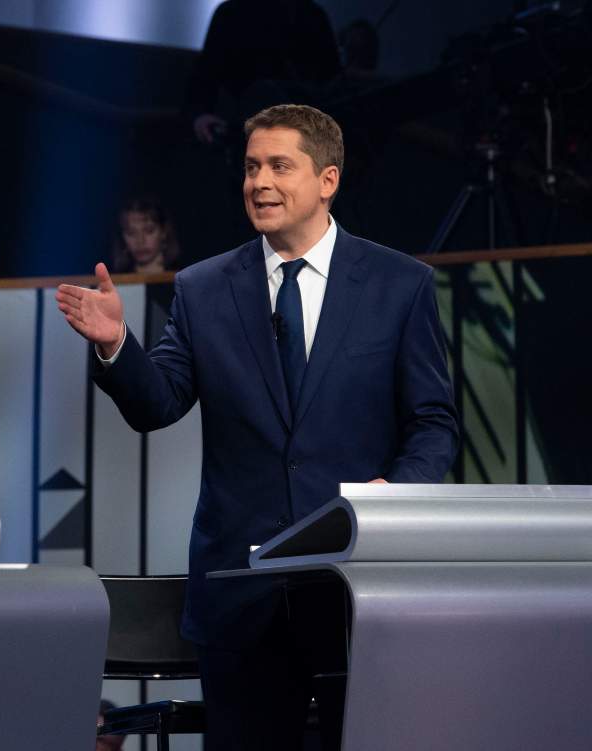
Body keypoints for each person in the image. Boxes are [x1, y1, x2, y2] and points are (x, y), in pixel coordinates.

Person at [57, 104, 457, 750]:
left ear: (327, 179)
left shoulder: (399, 285)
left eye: (278, 165)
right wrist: (116, 345)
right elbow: (158, 404)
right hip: (242, 599)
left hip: (360, 592)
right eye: (250, 167)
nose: (259, 182)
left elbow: (433, 423)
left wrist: (394, 500)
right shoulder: (204, 288)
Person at [186, 1, 340, 145]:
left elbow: (332, 77)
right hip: (246, 128)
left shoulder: (311, 15)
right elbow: (206, 76)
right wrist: (200, 115)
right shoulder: (232, 13)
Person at [112, 196, 181, 274]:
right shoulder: (114, 282)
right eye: (131, 233)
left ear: (164, 232)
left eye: (149, 231)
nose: (140, 241)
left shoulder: (185, 278)